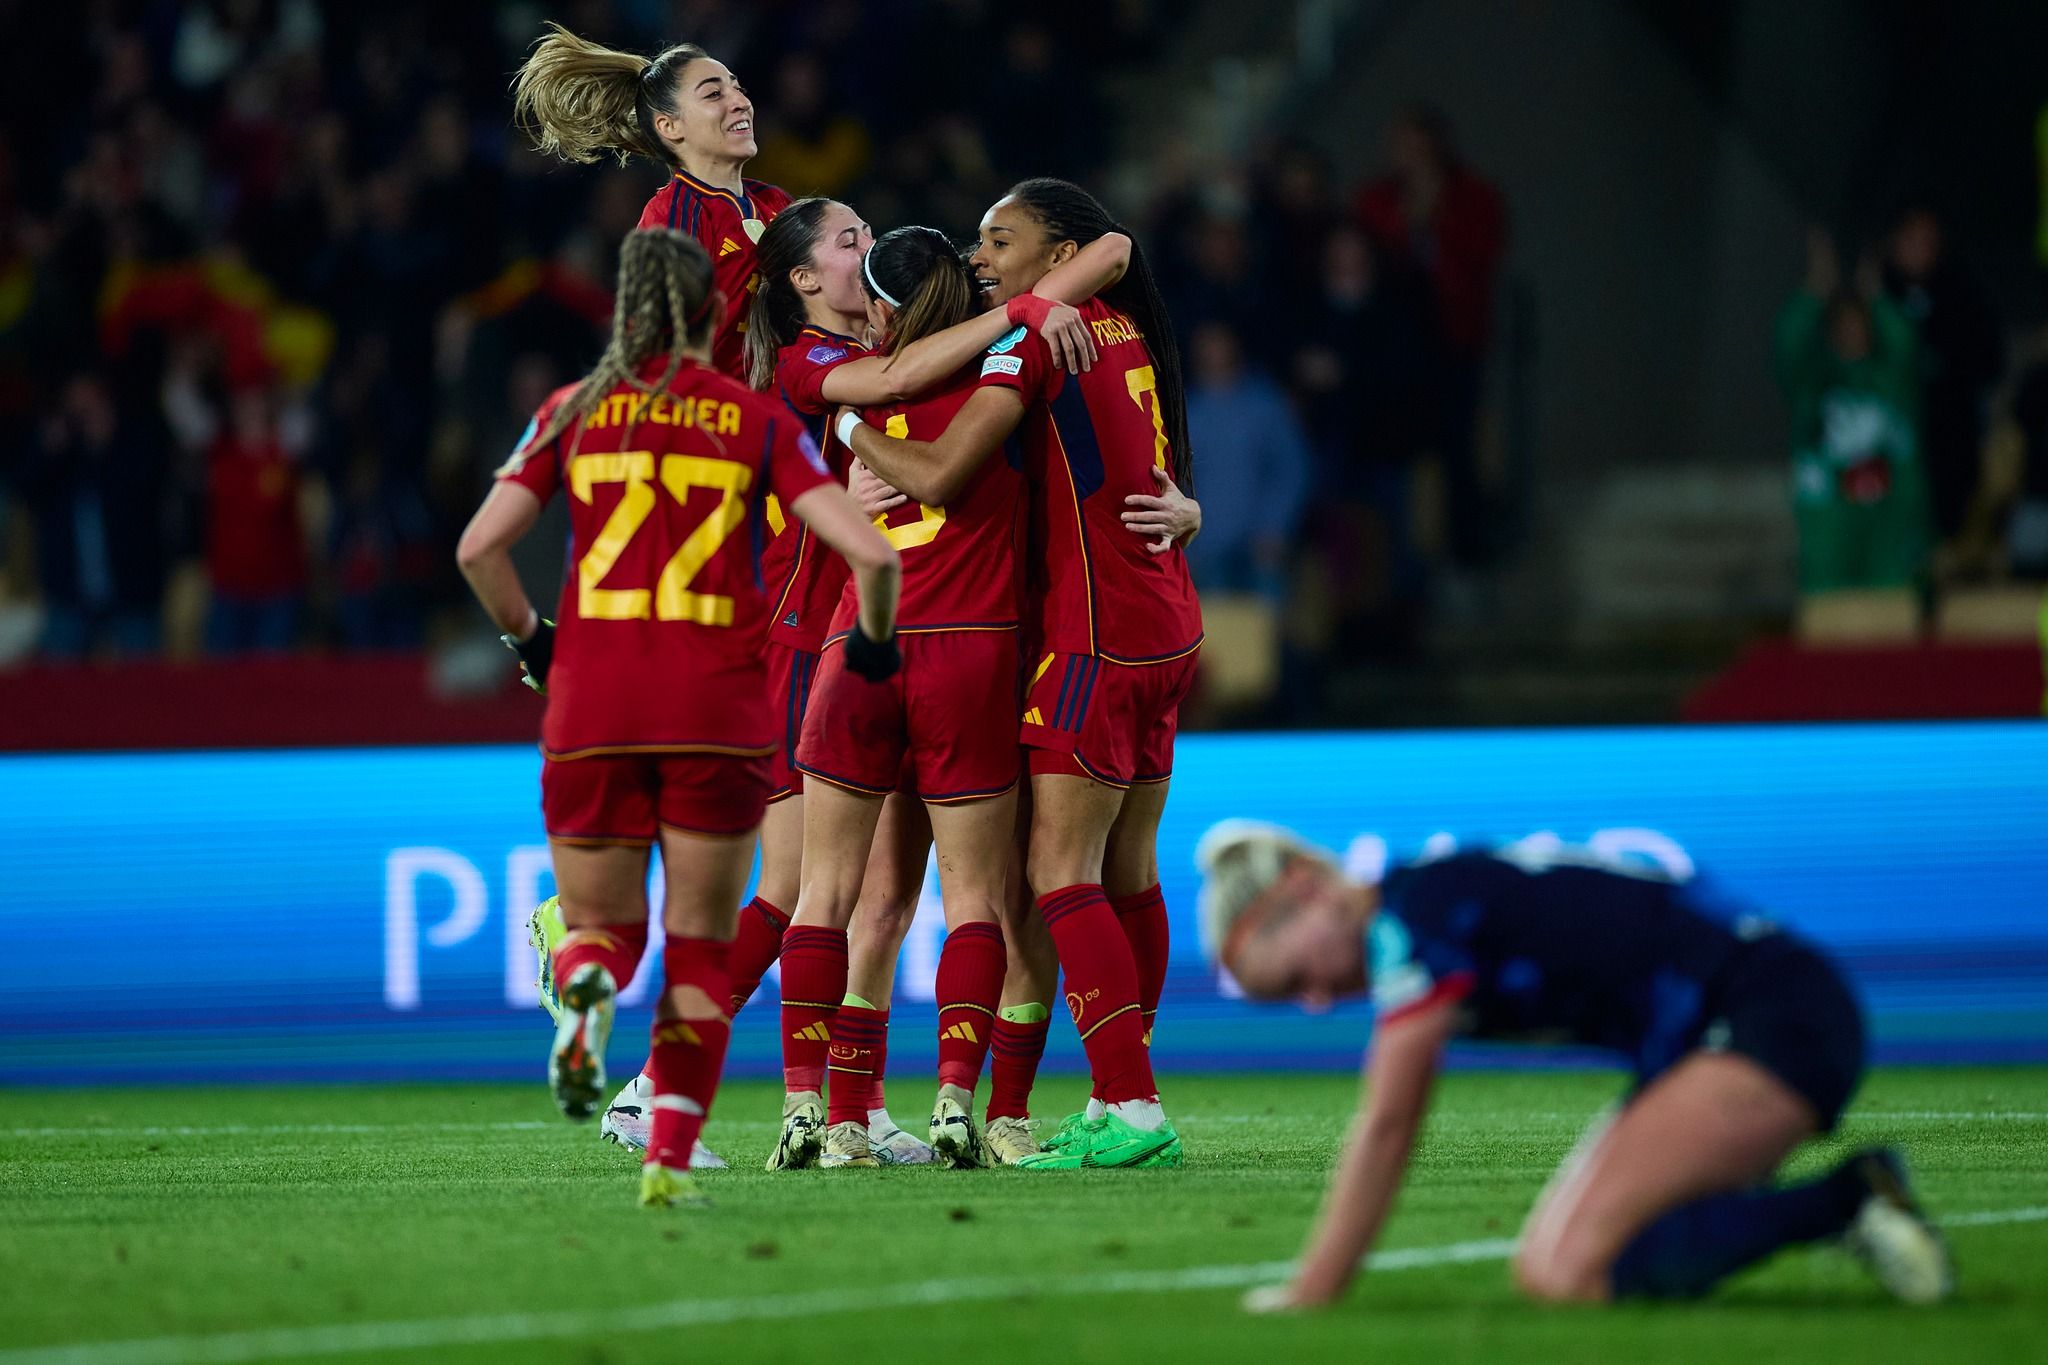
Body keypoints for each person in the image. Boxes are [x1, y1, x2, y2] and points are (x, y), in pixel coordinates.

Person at [454, 227, 901, 1209]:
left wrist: (535, 644)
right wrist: (871, 644)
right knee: (699, 943)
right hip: (714, 705)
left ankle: (579, 981)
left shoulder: (570, 409)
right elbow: (872, 556)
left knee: (608, 928)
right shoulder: (751, 417)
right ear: (711, 314)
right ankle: (666, 1153)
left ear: (621, 310)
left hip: (591, 701)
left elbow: (479, 549)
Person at [1195, 824, 1954, 1310]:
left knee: (1571, 1271)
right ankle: (1847, 1201)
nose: (1322, 1001)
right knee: (1553, 1271)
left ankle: (1849, 1198)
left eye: (1301, 979)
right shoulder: (1423, 896)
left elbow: (1389, 1121)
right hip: (1738, 1021)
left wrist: (1314, 1289)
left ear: (1304, 886)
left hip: (1768, 1015)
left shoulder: (1412, 921)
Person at [841, 179, 1202, 1170]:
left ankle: (1126, 1102)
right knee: (1126, 873)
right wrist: (1193, 513)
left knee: (1051, 876)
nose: (982, 258)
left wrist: (846, 433)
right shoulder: (1124, 331)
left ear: (1056, 253)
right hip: (1165, 622)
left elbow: (943, 471)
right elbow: (1119, 255)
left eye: (1002, 241)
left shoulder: (1039, 339)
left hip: (1093, 638)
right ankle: (1116, 1083)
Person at [748, 205, 1109, 1170]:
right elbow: (1104, 259)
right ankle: (957, 1100)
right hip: (970, 652)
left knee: (831, 895)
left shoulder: (838, 385)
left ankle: (810, 1110)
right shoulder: (998, 368)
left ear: (882, 304)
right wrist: (1031, 303)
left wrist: (857, 432)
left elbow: (891, 379)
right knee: (975, 899)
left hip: (857, 650)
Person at [512, 24, 789, 380]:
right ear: (670, 126)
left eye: (738, 89)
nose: (741, 102)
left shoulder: (775, 202)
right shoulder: (674, 215)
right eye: (713, 95)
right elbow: (660, 348)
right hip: (719, 424)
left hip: (793, 416)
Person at [1776, 230, 1930, 595]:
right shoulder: (1816, 382)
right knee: (1828, 597)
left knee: (1891, 597)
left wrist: (1876, 298)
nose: (1851, 332)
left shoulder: (1891, 379)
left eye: (1858, 323)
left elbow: (1904, 344)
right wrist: (1814, 292)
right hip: (1832, 509)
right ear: (1831, 332)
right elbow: (1788, 348)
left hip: (1888, 510)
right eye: (1842, 325)